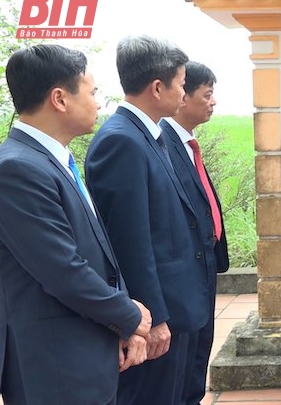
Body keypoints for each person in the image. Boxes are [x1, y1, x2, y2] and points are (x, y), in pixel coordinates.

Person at [0, 44, 151, 404]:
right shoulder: (16, 170)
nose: (97, 103)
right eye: (92, 92)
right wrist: (129, 316)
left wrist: (124, 323)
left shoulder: (52, 161)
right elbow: (63, 269)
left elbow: (96, 253)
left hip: (84, 351)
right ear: (59, 99)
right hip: (55, 365)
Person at [85, 36, 210, 405]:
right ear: (158, 88)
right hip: (158, 316)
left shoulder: (150, 136)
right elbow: (129, 241)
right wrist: (150, 319)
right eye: (182, 84)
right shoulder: (121, 141)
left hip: (178, 308)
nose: (185, 93)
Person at [158, 61, 229, 405]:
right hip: (182, 275)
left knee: (197, 358)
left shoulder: (185, 143)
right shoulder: (163, 145)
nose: (213, 101)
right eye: (207, 94)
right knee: (180, 368)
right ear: (182, 97)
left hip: (203, 265)